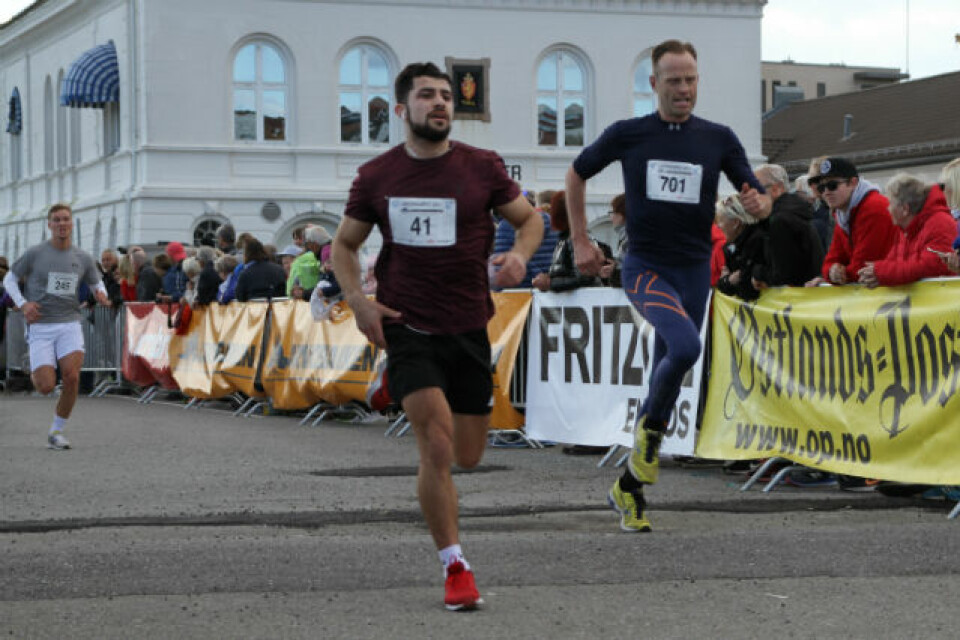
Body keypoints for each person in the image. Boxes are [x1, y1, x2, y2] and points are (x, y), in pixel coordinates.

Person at [330, 61, 542, 611]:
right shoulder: (377, 176)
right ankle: (455, 565)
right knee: (438, 444)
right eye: (427, 95)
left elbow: (530, 220)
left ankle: (390, 386)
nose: (441, 103)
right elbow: (344, 246)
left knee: (470, 455)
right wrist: (358, 302)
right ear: (403, 110)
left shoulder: (482, 167)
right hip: (408, 325)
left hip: (469, 325)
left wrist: (519, 257)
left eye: (447, 95)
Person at [564, 39, 767, 533]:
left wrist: (761, 203)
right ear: (653, 84)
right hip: (646, 266)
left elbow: (752, 189)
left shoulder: (717, 138)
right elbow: (575, 174)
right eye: (674, 80)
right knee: (686, 346)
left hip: (695, 268)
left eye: (691, 79)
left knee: (669, 365)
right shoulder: (629, 134)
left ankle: (628, 488)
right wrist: (581, 242)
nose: (684, 89)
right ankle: (651, 434)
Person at [1, 204, 109, 450]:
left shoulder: (82, 257)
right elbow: (9, 279)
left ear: (72, 224)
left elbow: (96, 283)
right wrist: (24, 303)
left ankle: (56, 431)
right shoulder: (35, 253)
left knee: (72, 378)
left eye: (66, 219)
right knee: (46, 386)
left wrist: (101, 294)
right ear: (49, 225)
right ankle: (35, 365)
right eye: (57, 220)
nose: (62, 224)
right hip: (41, 326)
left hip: (69, 323)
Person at [804, 157, 897, 287]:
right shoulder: (843, 213)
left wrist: (837, 275)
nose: (826, 192)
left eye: (832, 185)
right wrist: (832, 272)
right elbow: (830, 260)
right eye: (821, 187)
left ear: (853, 182)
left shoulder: (874, 208)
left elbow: (863, 267)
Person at [857, 173, 955, 287]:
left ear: (904, 209)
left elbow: (931, 266)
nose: (888, 209)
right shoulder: (904, 230)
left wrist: (881, 272)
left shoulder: (939, 223)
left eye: (891, 203)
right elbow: (893, 263)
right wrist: (876, 274)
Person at [750, 163, 825, 290]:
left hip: (797, 301)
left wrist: (757, 273)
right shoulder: (794, 211)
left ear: (776, 189)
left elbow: (782, 275)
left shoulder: (781, 220)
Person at [531, 190, 613, 292]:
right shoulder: (564, 239)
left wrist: (550, 283)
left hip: (583, 303)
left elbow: (585, 277)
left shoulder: (574, 240)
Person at [492, 188, 559, 289]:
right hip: (549, 292)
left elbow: (500, 265)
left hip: (517, 293)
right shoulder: (553, 223)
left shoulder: (505, 226)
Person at [714, 194, 765, 301]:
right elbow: (723, 285)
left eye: (720, 221)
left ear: (735, 223)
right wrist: (729, 281)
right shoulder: (729, 246)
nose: (718, 226)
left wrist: (730, 280)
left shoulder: (757, 240)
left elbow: (749, 291)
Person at [287, 226, 332, 299]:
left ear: (314, 243)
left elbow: (329, 285)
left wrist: (304, 294)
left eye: (307, 243)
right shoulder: (326, 251)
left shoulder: (326, 253)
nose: (307, 247)